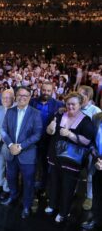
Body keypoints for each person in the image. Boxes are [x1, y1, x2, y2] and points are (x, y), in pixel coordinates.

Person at [45, 92, 95, 223]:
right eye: (68, 104)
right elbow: (50, 132)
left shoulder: (85, 120)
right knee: (54, 183)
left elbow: (88, 141)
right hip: (55, 157)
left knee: (68, 187)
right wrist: (50, 128)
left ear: (80, 105)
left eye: (73, 104)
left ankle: (64, 212)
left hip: (72, 161)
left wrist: (70, 135)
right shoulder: (59, 114)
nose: (70, 106)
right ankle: (52, 205)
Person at [1, 86, 43, 219]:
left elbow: (37, 134)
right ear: (16, 97)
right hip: (11, 152)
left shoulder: (35, 113)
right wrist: (10, 144)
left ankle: (26, 205)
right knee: (11, 178)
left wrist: (20, 146)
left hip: (27, 154)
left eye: (25, 95)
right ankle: (13, 196)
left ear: (29, 97)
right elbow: (3, 130)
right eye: (19, 95)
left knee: (28, 182)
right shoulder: (10, 111)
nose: (22, 98)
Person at [30, 82, 64, 191]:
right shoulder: (32, 102)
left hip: (49, 140)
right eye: (44, 90)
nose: (46, 93)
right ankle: (32, 186)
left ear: (52, 91)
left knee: (46, 165)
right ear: (40, 89)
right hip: (33, 139)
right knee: (32, 163)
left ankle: (43, 187)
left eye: (48, 91)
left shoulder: (58, 104)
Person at [78, 85, 101, 210]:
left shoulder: (96, 111)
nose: (78, 96)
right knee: (74, 170)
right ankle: (71, 191)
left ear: (88, 96)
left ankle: (90, 197)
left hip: (91, 148)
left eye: (81, 94)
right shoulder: (75, 107)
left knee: (90, 173)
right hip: (76, 145)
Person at [0, 89, 15, 201]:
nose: (6, 99)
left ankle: (6, 188)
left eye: (8, 97)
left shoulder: (16, 110)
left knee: (8, 166)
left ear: (13, 98)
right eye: (4, 97)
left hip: (10, 143)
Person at [81, 112, 102, 230]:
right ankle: (96, 218)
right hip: (98, 161)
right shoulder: (97, 117)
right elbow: (92, 141)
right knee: (97, 193)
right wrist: (96, 156)